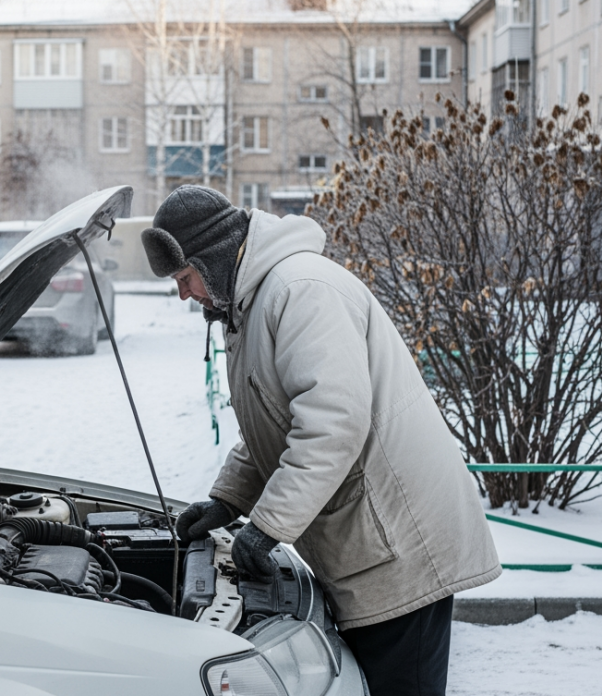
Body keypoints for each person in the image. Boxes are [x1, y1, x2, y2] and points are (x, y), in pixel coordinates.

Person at [142, 185, 500, 696]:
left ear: (212, 258)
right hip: (371, 539)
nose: (184, 294)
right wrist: (228, 499)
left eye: (185, 278)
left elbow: (332, 424)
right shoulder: (251, 302)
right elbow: (278, 420)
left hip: (400, 543)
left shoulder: (299, 290)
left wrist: (268, 526)